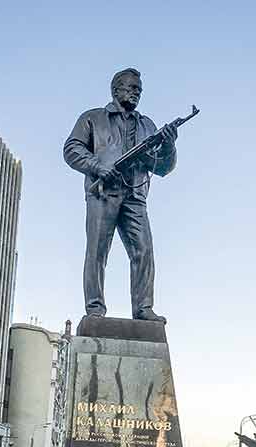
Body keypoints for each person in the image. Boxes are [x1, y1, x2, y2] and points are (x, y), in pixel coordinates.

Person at [64, 68, 180, 322]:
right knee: (97, 251)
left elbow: (162, 168)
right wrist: (98, 167)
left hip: (135, 196)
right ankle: (95, 308)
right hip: (103, 193)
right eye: (131, 87)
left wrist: (170, 146)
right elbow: (71, 149)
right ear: (116, 89)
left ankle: (143, 308)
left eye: (139, 89)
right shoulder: (93, 118)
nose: (136, 93)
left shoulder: (147, 125)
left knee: (144, 251)